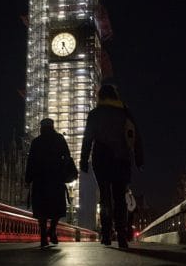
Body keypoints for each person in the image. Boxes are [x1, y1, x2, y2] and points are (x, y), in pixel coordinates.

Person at [79, 84, 144, 249]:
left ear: (100, 97)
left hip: (101, 158)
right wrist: (139, 158)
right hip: (121, 159)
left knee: (105, 197)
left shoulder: (94, 114)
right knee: (120, 198)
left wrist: (83, 160)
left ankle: (106, 234)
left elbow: (88, 139)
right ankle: (122, 235)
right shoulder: (124, 111)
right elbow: (135, 135)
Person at [25, 118, 70, 249]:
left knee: (42, 211)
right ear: (52, 126)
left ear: (41, 128)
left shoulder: (36, 142)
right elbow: (67, 156)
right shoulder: (59, 139)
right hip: (56, 179)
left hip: (40, 180)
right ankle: (53, 230)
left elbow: (30, 162)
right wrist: (63, 170)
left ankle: (44, 237)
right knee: (57, 208)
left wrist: (28, 179)